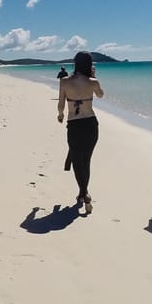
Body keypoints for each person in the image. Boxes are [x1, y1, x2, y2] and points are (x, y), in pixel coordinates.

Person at [57, 51, 104, 213]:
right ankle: (83, 193)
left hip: (74, 124)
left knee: (78, 162)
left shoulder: (64, 81)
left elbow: (61, 102)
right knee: (86, 161)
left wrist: (60, 114)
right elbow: (101, 95)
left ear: (75, 63)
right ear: (89, 65)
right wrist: (92, 77)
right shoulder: (93, 82)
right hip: (91, 124)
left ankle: (84, 194)